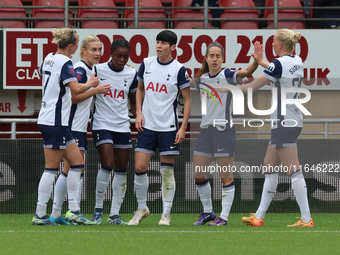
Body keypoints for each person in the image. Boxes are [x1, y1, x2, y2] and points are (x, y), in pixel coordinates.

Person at [217, 28, 313, 227]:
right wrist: (262, 62)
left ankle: (306, 219)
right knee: (269, 166)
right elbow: (279, 71)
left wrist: (228, 88)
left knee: (294, 171)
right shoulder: (297, 60)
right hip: (292, 120)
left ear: (279, 45)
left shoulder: (277, 64)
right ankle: (259, 217)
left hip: (284, 121)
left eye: (273, 43)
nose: (271, 45)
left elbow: (252, 87)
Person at [32, 28, 100, 225]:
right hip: (55, 121)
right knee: (51, 169)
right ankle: (40, 214)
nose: (78, 45)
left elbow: (43, 74)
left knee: (77, 163)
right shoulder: (65, 62)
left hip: (53, 120)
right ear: (72, 45)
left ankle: (72, 211)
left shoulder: (49, 57)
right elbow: (76, 88)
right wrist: (92, 84)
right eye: (77, 42)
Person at [191, 41, 261, 226]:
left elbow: (247, 72)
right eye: (211, 56)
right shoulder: (202, 79)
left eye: (218, 56)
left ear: (222, 59)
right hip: (205, 132)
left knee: (226, 177)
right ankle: (208, 213)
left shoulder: (227, 75)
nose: (214, 59)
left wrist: (256, 60)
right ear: (206, 58)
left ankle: (224, 217)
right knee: (198, 174)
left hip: (224, 131)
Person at [128, 30, 191, 226]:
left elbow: (187, 100)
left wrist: (183, 128)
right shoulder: (146, 63)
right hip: (147, 126)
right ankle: (142, 208)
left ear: (173, 47)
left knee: (166, 171)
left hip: (169, 127)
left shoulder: (180, 69)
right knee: (139, 167)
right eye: (157, 42)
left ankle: (166, 213)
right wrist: (138, 112)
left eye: (163, 43)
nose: (158, 46)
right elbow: (139, 89)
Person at [49, 35, 111, 225]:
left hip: (78, 127)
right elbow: (72, 98)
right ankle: (72, 210)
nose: (98, 53)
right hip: (72, 125)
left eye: (100, 49)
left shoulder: (89, 69)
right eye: (93, 50)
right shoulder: (80, 70)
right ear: (82, 50)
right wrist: (95, 90)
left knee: (68, 170)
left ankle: (56, 213)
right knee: (74, 168)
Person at [90, 38, 138, 225]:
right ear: (110, 54)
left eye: (125, 56)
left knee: (121, 170)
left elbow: (133, 101)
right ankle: (98, 210)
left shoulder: (132, 73)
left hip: (122, 126)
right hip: (102, 124)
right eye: (118, 56)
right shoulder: (98, 70)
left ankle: (114, 215)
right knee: (107, 164)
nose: (122, 60)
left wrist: (139, 115)